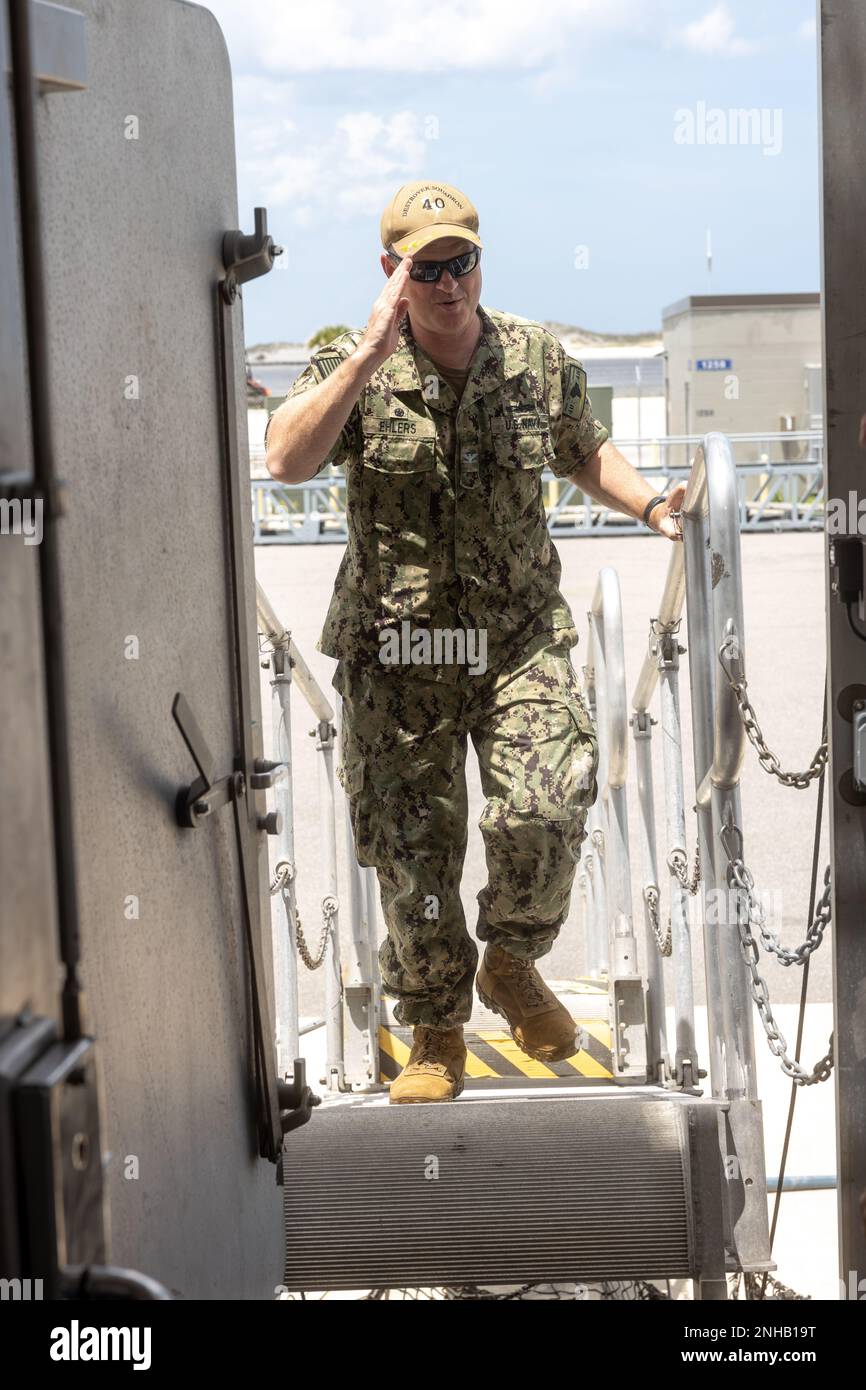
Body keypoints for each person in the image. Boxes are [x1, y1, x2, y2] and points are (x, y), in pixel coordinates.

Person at [265, 181, 685, 1103]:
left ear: (479, 263)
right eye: (428, 268)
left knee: (548, 804)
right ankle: (435, 1028)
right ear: (394, 273)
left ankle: (511, 961)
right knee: (412, 854)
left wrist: (652, 504)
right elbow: (286, 458)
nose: (450, 283)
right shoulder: (350, 358)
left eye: (463, 263)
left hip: (516, 641)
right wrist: (368, 355)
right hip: (399, 650)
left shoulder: (533, 356)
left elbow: (582, 448)